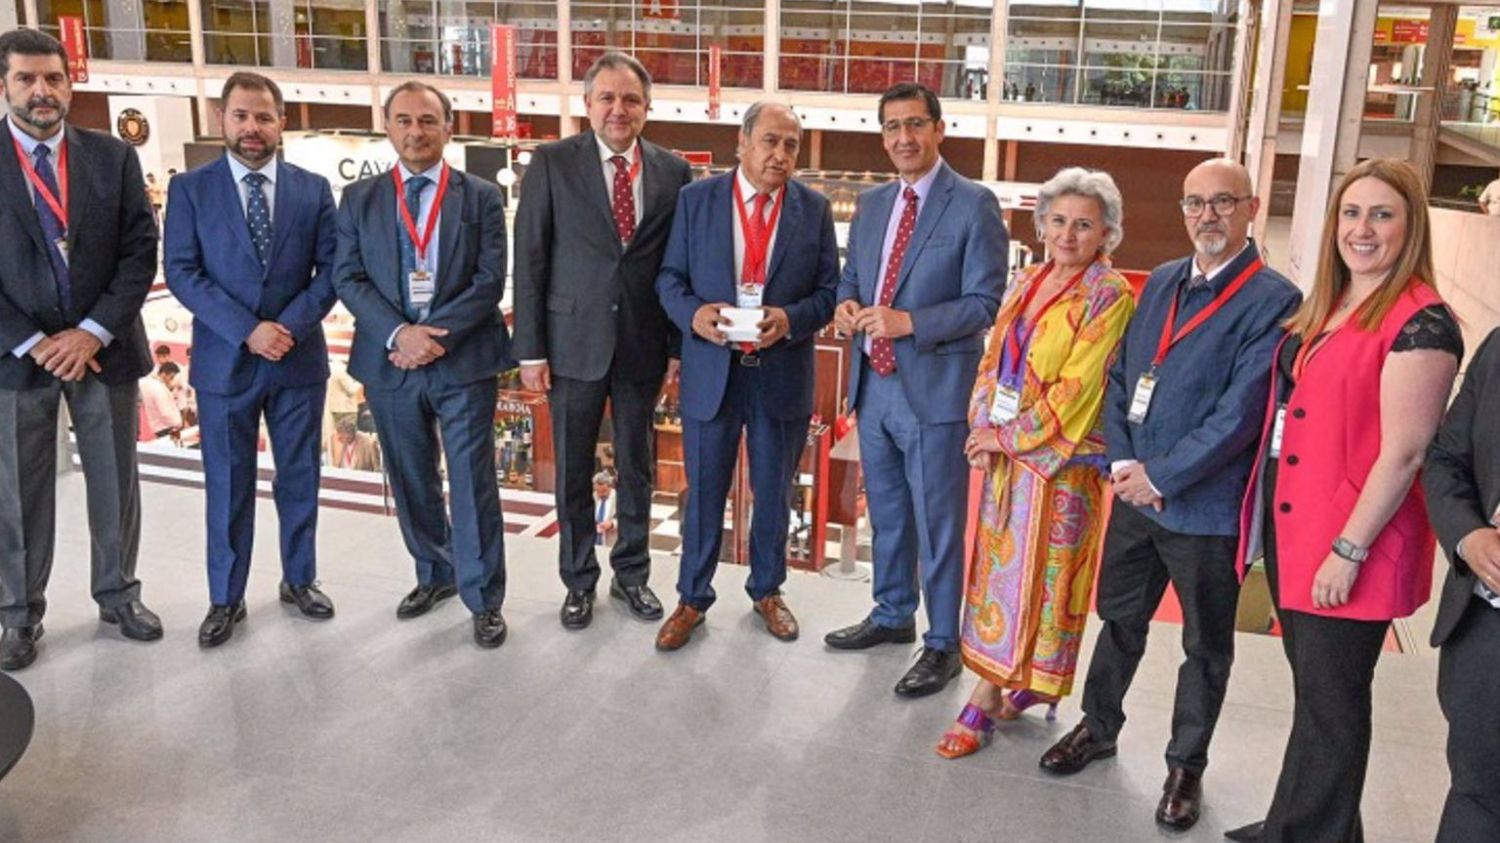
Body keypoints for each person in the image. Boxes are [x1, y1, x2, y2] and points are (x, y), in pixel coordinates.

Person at [1038, 158, 1301, 832]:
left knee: (1205, 645)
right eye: (1194, 203)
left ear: (1249, 208)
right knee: (1119, 618)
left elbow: (1242, 412)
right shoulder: (1159, 282)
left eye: (1221, 203)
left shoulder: (1274, 300)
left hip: (1204, 510)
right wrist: (1127, 462)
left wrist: (1162, 475)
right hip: (1135, 495)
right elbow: (1123, 376)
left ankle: (1186, 765)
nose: (1206, 216)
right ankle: (1098, 726)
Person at [1226, 158, 1461, 843]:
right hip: (1302, 529)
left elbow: (1405, 453)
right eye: (1352, 213)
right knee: (1316, 695)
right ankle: (1304, 821)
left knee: (1333, 703)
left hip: (1351, 540)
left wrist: (1348, 550)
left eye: (1382, 214)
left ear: (1411, 227)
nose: (1363, 229)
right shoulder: (1333, 302)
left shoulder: (1422, 323)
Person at [934, 167, 1136, 758]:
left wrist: (1009, 437)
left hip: (1060, 466)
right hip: (1006, 457)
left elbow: (1081, 386)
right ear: (1041, 224)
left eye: (1083, 225)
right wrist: (980, 427)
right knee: (997, 576)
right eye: (1058, 221)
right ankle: (1009, 682)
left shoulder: (1110, 294)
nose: (1068, 235)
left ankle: (986, 696)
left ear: (1106, 234)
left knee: (1041, 586)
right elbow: (993, 357)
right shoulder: (1026, 279)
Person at [823, 82, 1008, 698]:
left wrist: (911, 323)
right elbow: (854, 275)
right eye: (892, 127)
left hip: (933, 391)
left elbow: (986, 302)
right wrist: (848, 306)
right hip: (872, 389)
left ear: (939, 129)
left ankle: (943, 644)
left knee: (938, 523)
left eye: (914, 125)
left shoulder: (974, 204)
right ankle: (892, 613)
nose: (904, 138)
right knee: (891, 516)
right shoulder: (874, 204)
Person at [0, 29, 163, 671]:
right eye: (26, 79)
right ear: (5, 85)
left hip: (103, 350)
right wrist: (38, 343)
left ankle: (119, 594)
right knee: (17, 490)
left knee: (115, 480)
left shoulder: (111, 157)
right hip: (17, 357)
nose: (42, 91)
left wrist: (91, 331)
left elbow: (138, 251)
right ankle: (17, 614)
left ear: (70, 82)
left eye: (53, 78)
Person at [512, 51, 692, 630]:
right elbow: (531, 259)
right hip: (570, 345)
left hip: (643, 344)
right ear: (588, 105)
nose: (619, 109)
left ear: (646, 107)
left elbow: (677, 265)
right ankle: (578, 582)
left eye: (631, 99)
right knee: (571, 471)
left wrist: (675, 347)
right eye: (608, 98)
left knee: (638, 467)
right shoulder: (551, 162)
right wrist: (531, 351)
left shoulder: (672, 170)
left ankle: (632, 576)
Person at [332, 81, 512, 649]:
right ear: (387, 128)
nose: (416, 131)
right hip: (389, 362)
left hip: (462, 361)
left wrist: (434, 337)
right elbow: (348, 276)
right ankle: (434, 573)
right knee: (411, 478)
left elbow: (490, 280)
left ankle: (483, 599)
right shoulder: (359, 199)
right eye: (404, 120)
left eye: (428, 121)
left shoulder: (480, 196)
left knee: (471, 481)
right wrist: (399, 333)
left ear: (448, 128)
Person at [653, 101, 838, 651]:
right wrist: (692, 314)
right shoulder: (696, 201)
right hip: (713, 372)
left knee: (774, 491)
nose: (780, 155)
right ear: (742, 142)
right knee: (704, 490)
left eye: (791, 145)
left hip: (780, 372)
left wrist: (792, 318)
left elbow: (829, 293)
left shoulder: (814, 209)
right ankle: (691, 598)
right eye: (770, 141)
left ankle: (768, 591)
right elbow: (668, 277)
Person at [164, 71, 340, 648]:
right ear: (222, 120)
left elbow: (332, 271)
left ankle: (300, 579)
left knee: (299, 478)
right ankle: (226, 596)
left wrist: (283, 328)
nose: (252, 128)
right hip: (225, 364)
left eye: (264, 116)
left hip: (296, 360)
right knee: (228, 483)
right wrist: (249, 331)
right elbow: (183, 273)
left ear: (281, 122)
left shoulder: (313, 189)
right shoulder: (191, 190)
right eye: (241, 115)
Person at [1425, 328, 1500, 843]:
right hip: (1486, 627)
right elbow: (1447, 459)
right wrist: (1469, 536)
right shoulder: (1499, 347)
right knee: (1476, 794)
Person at [140, 361, 184, 440]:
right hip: (168, 428)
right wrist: (179, 423)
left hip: (158, 427)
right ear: (163, 375)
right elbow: (166, 413)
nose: (172, 381)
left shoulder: (149, 384)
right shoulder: (159, 389)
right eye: (171, 377)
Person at [592, 471, 617, 548]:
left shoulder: (619, 498)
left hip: (611, 542)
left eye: (604, 491)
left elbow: (626, 519)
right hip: (594, 540)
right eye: (598, 491)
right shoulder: (593, 497)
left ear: (610, 487)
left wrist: (612, 524)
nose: (600, 494)